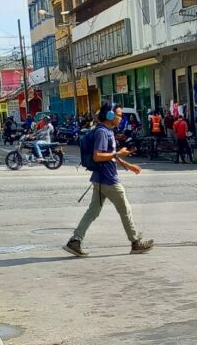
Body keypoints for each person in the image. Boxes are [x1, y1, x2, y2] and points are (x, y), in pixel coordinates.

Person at [63, 102, 153, 257]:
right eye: (118, 115)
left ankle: (75, 241)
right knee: (125, 210)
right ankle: (135, 242)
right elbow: (98, 156)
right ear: (110, 116)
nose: (121, 118)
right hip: (108, 179)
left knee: (92, 212)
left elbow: (110, 156)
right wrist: (118, 154)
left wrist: (128, 165)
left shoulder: (108, 131)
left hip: (100, 179)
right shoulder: (103, 133)